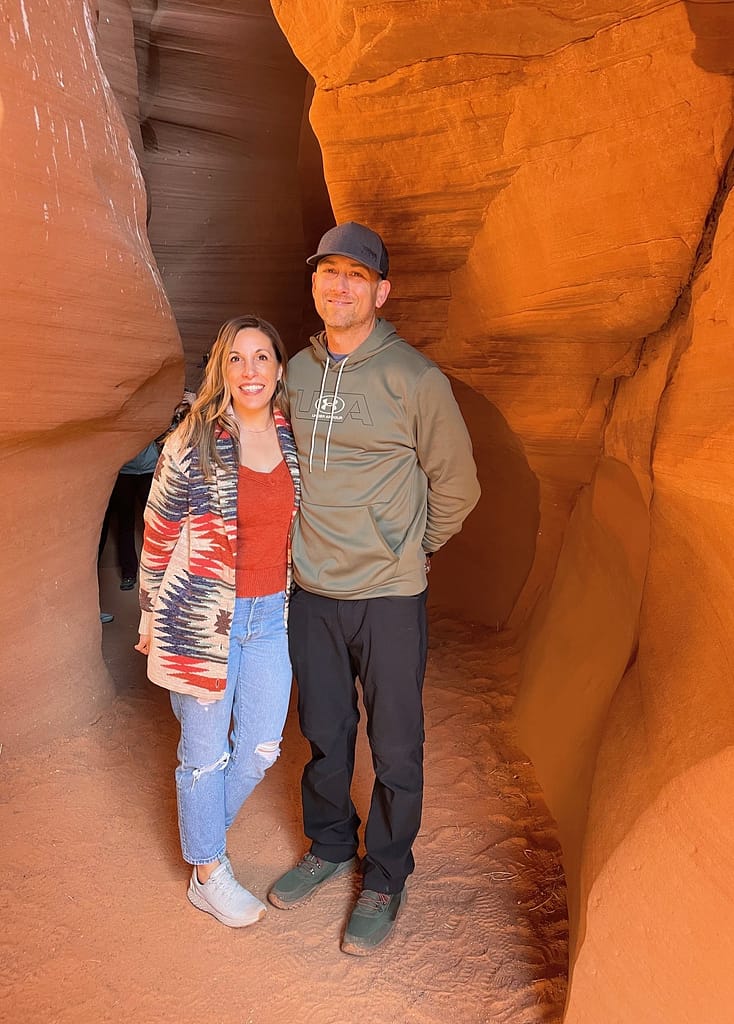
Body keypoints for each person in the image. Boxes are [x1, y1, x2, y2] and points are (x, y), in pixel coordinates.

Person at [268, 222, 480, 954]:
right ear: (316, 286)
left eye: (355, 275)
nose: (340, 286)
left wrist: (409, 547)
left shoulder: (415, 380)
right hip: (312, 593)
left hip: (388, 597)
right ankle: (330, 847)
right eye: (328, 272)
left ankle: (385, 875)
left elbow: (458, 485)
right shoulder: (294, 371)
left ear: (381, 292)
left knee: (396, 747)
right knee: (325, 735)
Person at [134, 314, 300, 929]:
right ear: (220, 371)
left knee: (259, 747)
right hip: (199, 621)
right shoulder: (193, 440)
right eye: (236, 358)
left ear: (279, 369)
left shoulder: (290, 439)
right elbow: (157, 534)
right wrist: (151, 611)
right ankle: (208, 870)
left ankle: (201, 832)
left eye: (261, 357)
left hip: (269, 618)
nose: (249, 371)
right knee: (203, 757)